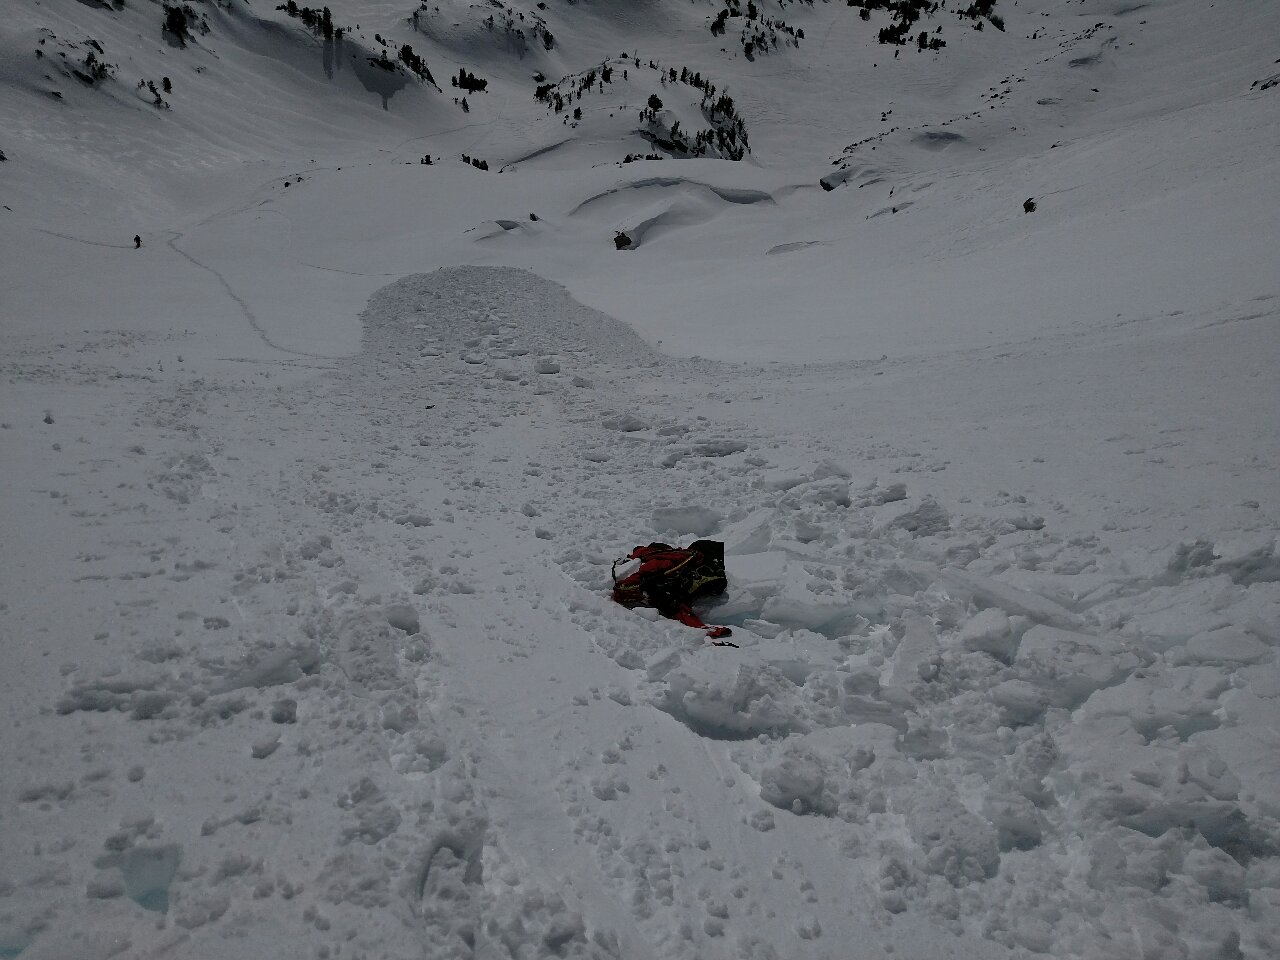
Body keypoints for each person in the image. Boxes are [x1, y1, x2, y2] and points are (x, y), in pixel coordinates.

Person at [611, 540, 736, 644]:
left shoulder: (659, 558)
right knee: (673, 599)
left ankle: (701, 627)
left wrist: (622, 588)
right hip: (693, 582)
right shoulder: (682, 554)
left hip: (675, 590)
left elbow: (637, 578)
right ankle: (703, 627)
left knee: (673, 602)